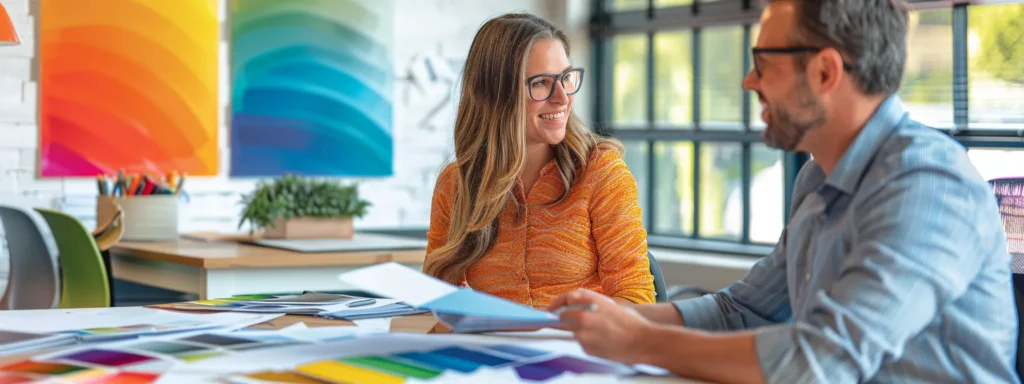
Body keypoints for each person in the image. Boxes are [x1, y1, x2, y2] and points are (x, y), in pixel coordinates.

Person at [550, 0, 1020, 382]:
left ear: (824, 72)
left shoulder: (929, 186)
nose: (748, 81)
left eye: (762, 62)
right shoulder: (818, 178)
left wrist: (636, 340)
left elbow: (822, 359)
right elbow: (744, 311)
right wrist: (608, 317)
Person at [424, 13, 655, 309]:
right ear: (495, 93)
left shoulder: (601, 173)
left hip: (580, 348)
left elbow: (636, 299)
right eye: (542, 83)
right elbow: (437, 298)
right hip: (492, 351)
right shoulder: (456, 184)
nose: (562, 98)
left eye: (566, 78)